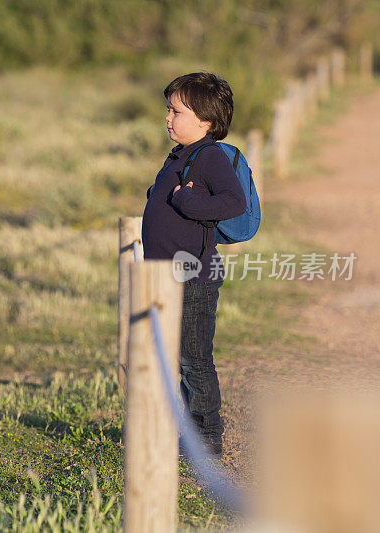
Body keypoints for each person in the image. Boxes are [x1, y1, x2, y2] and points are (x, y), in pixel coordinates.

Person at [141, 72, 245, 456]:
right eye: (167, 109)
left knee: (194, 358)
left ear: (206, 121)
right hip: (163, 275)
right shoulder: (180, 154)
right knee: (166, 355)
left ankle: (207, 439)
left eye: (177, 111)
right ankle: (177, 429)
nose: (168, 117)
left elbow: (234, 202)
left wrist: (186, 204)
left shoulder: (210, 156)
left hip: (194, 278)